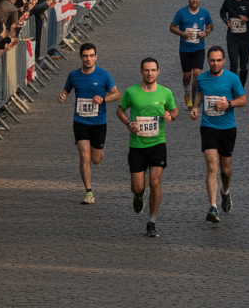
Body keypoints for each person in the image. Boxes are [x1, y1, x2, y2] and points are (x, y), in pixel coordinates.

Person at [116, 57, 178, 238]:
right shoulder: (131, 92)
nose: (150, 73)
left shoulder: (165, 93)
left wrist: (170, 116)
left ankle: (152, 221)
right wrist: (128, 124)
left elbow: (174, 111)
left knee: (155, 181)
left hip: (157, 143)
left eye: (153, 70)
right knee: (138, 186)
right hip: (136, 145)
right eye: (146, 70)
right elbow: (120, 110)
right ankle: (138, 195)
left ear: (158, 72)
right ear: (141, 72)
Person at [190, 45, 247, 223]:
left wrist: (228, 104)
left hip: (228, 128)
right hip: (208, 127)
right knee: (212, 165)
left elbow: (243, 100)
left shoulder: (232, 79)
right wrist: (195, 107)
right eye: (212, 60)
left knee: (225, 170)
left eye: (218, 60)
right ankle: (213, 207)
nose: (215, 63)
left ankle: (225, 191)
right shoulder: (202, 78)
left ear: (224, 61)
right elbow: (199, 93)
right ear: (208, 61)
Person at [58, 41, 119, 204]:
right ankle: (89, 192)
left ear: (96, 57)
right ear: (81, 57)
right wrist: (62, 96)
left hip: (99, 122)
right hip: (80, 121)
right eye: (85, 56)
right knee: (84, 155)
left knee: (95, 159)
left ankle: (98, 153)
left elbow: (117, 94)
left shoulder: (104, 75)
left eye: (91, 56)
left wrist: (103, 98)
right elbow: (66, 91)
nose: (88, 59)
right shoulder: (73, 76)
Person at [169, 0, 214, 108]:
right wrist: (182, 34)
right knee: (187, 75)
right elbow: (172, 27)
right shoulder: (181, 13)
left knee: (198, 73)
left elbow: (210, 25)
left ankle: (194, 98)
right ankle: (186, 92)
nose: (194, 0)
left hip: (199, 48)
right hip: (185, 49)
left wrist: (206, 33)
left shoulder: (205, 13)